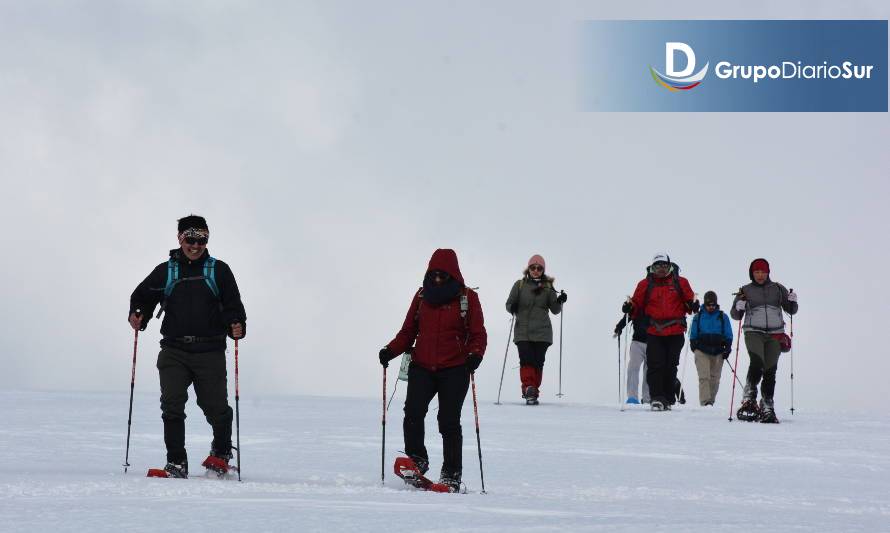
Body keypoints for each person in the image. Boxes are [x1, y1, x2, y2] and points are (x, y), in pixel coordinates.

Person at [128, 215, 246, 478]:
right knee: (172, 405)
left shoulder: (219, 270)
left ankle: (222, 453)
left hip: (210, 351)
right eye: (190, 239)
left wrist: (237, 324)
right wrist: (138, 314)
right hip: (174, 351)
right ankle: (176, 463)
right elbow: (142, 297)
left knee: (214, 406)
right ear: (180, 239)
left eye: (201, 239)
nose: (195, 245)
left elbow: (233, 305)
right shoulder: (166, 271)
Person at [379, 249, 487, 492]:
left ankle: (451, 474)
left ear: (453, 274)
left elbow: (478, 333)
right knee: (413, 412)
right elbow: (408, 332)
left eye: (443, 275)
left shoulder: (467, 298)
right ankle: (417, 459)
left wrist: (475, 355)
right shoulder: (421, 296)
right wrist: (390, 350)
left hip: (456, 368)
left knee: (448, 421)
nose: (438, 279)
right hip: (422, 366)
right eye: (434, 274)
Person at [622, 253, 697, 411]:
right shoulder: (645, 284)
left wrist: (693, 305)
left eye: (664, 265)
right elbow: (636, 304)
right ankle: (656, 398)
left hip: (676, 330)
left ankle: (668, 397)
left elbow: (689, 302)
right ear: (652, 268)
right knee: (655, 365)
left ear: (670, 266)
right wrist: (629, 308)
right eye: (657, 266)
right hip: (654, 330)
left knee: (670, 365)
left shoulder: (680, 282)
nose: (661, 269)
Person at [730, 258, 798, 423]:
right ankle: (750, 395)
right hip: (753, 331)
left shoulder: (778, 289)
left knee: (770, 369)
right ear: (752, 273)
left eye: (763, 271)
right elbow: (735, 315)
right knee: (757, 361)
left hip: (775, 333)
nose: (760, 275)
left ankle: (767, 402)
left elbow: (791, 311)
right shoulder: (745, 290)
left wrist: (792, 302)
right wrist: (738, 306)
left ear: (768, 272)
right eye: (756, 272)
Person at [505, 254, 566, 405]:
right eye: (533, 267)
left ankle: (533, 391)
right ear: (529, 268)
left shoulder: (548, 287)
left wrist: (560, 301)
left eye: (539, 268)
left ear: (543, 270)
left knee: (538, 362)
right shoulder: (519, 285)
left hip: (542, 332)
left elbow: (555, 310)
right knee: (526, 359)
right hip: (523, 331)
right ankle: (529, 388)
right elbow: (509, 304)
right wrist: (512, 307)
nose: (536, 270)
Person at [689, 291, 733, 406]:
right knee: (704, 376)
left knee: (715, 378)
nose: (711, 307)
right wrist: (694, 345)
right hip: (701, 350)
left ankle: (711, 401)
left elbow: (728, 334)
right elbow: (693, 333)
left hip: (718, 351)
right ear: (705, 304)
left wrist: (727, 348)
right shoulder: (698, 317)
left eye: (713, 305)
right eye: (708, 305)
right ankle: (705, 401)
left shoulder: (722, 317)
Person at [614, 270, 650, 404]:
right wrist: (619, 327)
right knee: (633, 368)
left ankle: (647, 398)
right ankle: (633, 397)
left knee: (649, 371)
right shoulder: (637, 303)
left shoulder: (655, 305)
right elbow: (629, 315)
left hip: (653, 340)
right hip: (638, 340)